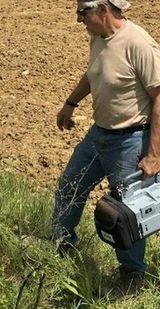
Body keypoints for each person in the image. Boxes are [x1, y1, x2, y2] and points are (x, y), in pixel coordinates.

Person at [52, 0, 160, 284]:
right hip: (98, 135)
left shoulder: (138, 43)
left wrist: (153, 155)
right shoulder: (98, 37)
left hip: (130, 140)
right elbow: (93, 73)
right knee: (69, 188)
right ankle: (60, 245)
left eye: (82, 12)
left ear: (102, 9)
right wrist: (70, 103)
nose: (78, 20)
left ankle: (132, 274)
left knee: (127, 212)